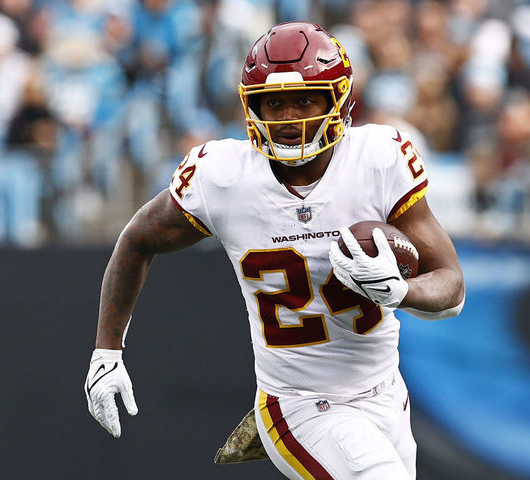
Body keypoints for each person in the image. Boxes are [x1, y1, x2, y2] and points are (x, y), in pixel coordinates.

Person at [84, 21, 465, 480]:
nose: (288, 117)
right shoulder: (223, 176)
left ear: (338, 100)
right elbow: (138, 239)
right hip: (298, 404)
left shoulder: (378, 158)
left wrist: (399, 291)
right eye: (274, 102)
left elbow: (452, 287)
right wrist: (106, 352)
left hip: (385, 393)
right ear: (252, 107)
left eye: (304, 99)